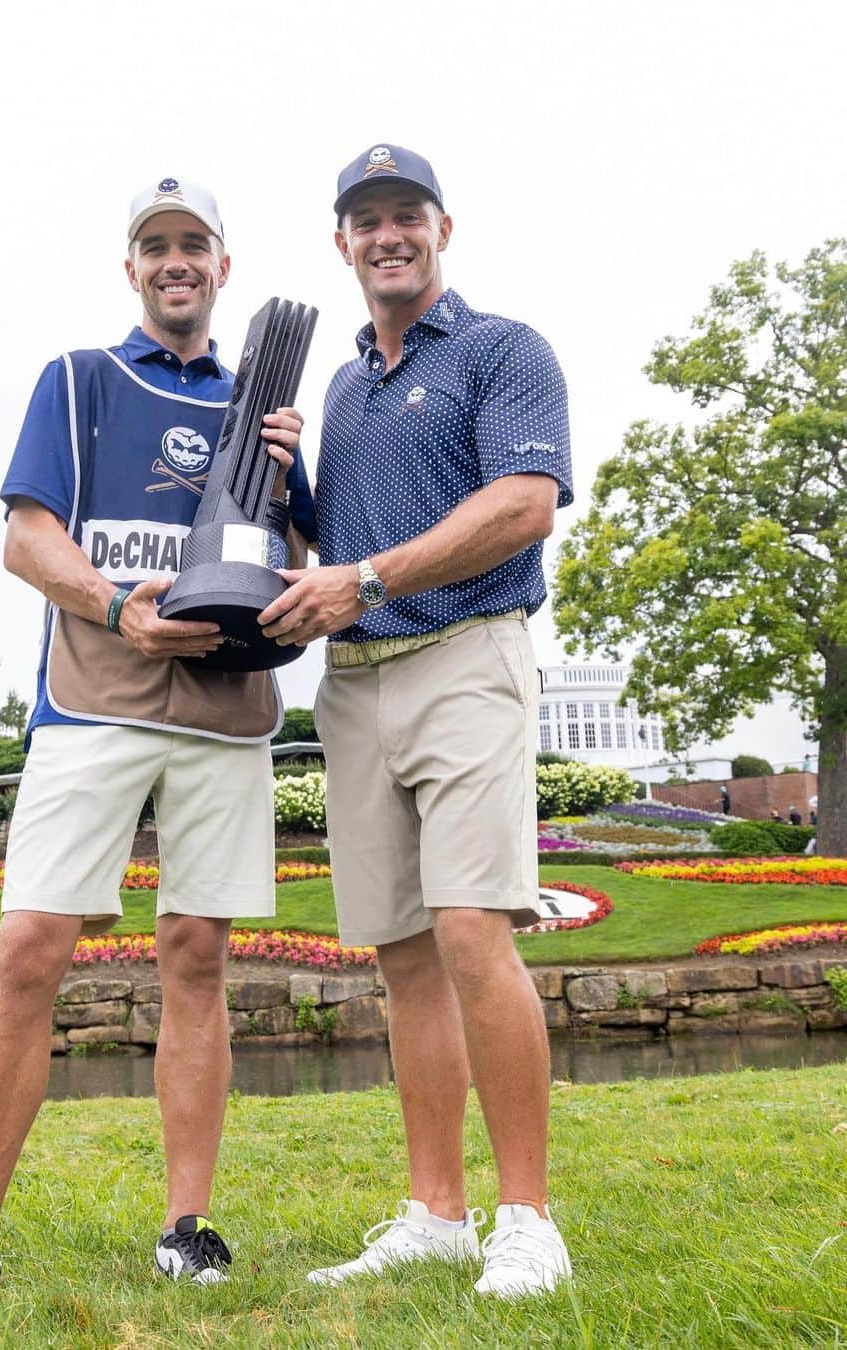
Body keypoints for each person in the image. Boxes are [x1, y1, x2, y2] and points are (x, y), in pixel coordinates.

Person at [0, 176, 313, 1303]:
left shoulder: (263, 400)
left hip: (226, 721)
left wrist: (292, 472)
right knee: (30, 950)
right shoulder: (81, 380)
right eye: (155, 245)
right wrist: (123, 608)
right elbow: (28, 539)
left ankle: (189, 1224)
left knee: (197, 959)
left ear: (224, 266)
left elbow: (303, 561)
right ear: (131, 267)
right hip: (92, 703)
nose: (176, 261)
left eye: (195, 244)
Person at [260, 144, 573, 1299]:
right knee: (402, 957)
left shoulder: (505, 350)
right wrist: (292, 498)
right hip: (358, 682)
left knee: (471, 933)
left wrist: (369, 579)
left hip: (465, 658)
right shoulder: (346, 388)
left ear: (445, 227)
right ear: (340, 243)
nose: (386, 235)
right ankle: (436, 1213)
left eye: (405, 215)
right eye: (364, 221)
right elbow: (339, 546)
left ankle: (527, 1219)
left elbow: (520, 507)